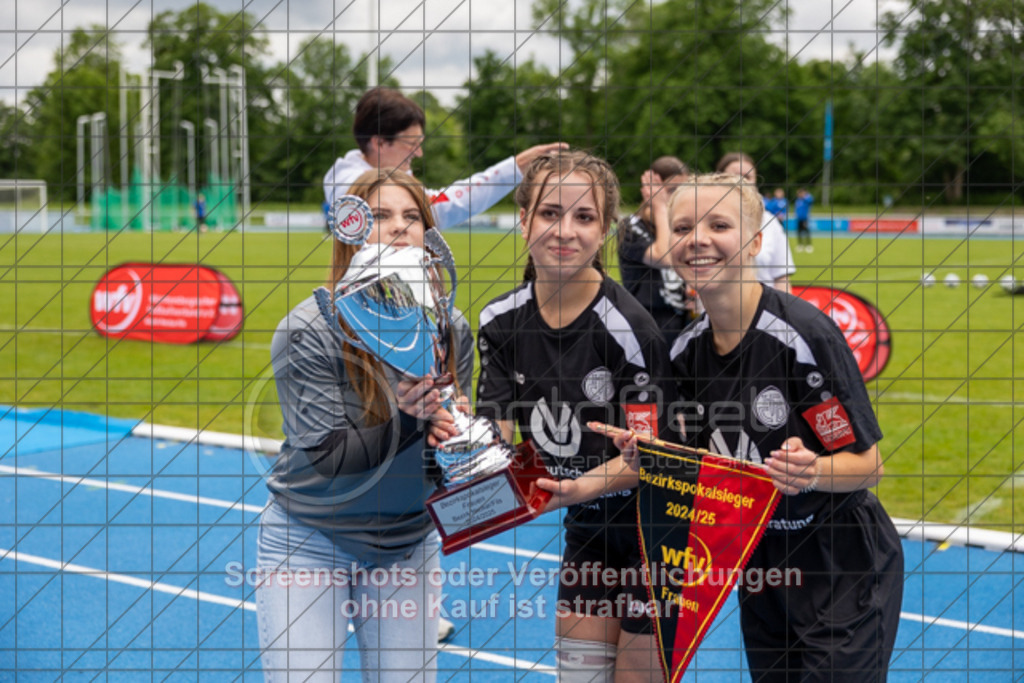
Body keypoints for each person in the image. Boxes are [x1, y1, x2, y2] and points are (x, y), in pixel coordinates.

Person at [620, 172, 903, 681]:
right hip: (762, 562)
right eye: (682, 227)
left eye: (719, 225)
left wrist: (813, 472)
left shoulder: (804, 336)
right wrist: (649, 455)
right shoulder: (683, 353)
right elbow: (693, 465)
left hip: (840, 561)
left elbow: (869, 465)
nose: (698, 239)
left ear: (755, 242)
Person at [258, 169, 471, 682]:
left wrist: (456, 440)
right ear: (350, 230)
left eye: (412, 216)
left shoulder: (450, 327)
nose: (399, 226)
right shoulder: (308, 327)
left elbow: (438, 461)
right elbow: (330, 459)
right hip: (310, 537)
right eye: (379, 215)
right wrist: (409, 418)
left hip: (406, 540)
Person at [475, 150, 675, 683]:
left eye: (584, 217)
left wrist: (575, 487)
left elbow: (652, 458)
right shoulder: (499, 321)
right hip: (587, 527)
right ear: (523, 220)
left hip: (656, 532)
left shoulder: (631, 328)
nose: (564, 231)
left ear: (605, 230)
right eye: (549, 213)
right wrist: (465, 453)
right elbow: (494, 430)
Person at [324, 86, 565, 229]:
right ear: (379, 143)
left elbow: (444, 203)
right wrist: (514, 169)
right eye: (411, 144)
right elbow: (445, 207)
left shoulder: (383, 177)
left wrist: (515, 168)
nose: (418, 153)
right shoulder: (352, 187)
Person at [617, 156, 696, 342]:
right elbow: (665, 258)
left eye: (683, 191)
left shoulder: (684, 227)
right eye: (672, 190)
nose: (677, 198)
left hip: (683, 325)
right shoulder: (630, 227)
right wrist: (659, 206)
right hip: (647, 327)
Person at [716, 153, 795, 293]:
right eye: (734, 176)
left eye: (747, 177)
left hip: (765, 305)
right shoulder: (702, 221)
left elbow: (781, 278)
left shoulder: (771, 223)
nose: (741, 181)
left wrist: (784, 307)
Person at [795, 187, 815, 252]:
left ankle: (808, 245)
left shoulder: (806, 199)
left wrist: (805, 195)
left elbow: (811, 200)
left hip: (805, 218)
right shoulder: (798, 200)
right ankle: (800, 245)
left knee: (807, 232)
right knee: (799, 232)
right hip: (799, 219)